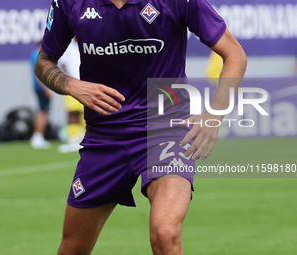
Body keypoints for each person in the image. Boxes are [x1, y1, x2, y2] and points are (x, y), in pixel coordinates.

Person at [35, 0, 247, 254]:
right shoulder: (70, 3)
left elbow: (235, 54)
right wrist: (72, 85)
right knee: (73, 249)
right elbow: (44, 61)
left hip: (165, 130)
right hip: (104, 138)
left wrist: (214, 114)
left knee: (165, 234)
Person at [58, 38, 85, 153]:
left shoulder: (88, 43)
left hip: (88, 83)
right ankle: (73, 138)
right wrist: (71, 80)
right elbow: (63, 64)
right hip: (73, 84)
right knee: (73, 112)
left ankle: (85, 138)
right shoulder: (68, 46)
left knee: (88, 112)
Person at [29, 40, 53, 149]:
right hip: (41, 87)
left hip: (38, 87)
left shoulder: (33, 55)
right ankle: (38, 136)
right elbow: (39, 74)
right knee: (43, 112)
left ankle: (37, 136)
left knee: (41, 111)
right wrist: (46, 89)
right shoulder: (38, 56)